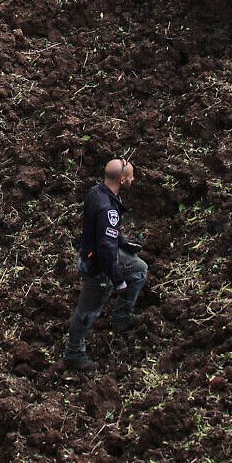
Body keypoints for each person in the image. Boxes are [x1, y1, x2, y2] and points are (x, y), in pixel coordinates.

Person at [64, 157, 149, 371]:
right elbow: (106, 251)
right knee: (87, 311)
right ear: (121, 180)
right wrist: (118, 281)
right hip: (97, 266)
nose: (133, 180)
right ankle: (73, 354)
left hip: (97, 251)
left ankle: (122, 317)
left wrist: (123, 242)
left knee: (139, 269)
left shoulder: (97, 192)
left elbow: (104, 234)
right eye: (131, 177)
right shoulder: (108, 209)